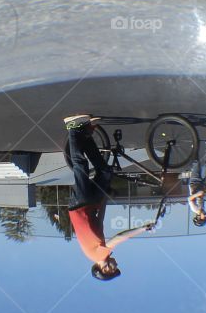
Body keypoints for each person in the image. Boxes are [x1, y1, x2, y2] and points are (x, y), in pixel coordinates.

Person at [64, 114, 150, 281]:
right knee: (105, 172)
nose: (116, 266)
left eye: (113, 270)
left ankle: (72, 129)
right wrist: (105, 198)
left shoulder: (99, 256)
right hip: (91, 205)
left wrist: (143, 228)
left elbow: (119, 237)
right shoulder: (98, 250)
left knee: (80, 166)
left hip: (80, 205)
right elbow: (99, 221)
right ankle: (86, 134)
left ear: (103, 269)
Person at [187, 138, 206, 227]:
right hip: (201, 183)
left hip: (194, 182)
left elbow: (189, 199)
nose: (205, 216)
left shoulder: (195, 209)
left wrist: (197, 194)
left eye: (204, 218)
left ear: (199, 217)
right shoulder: (202, 209)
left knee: (196, 163)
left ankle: (194, 147)